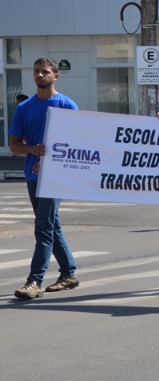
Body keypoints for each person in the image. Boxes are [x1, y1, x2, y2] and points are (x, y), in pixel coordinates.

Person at [10, 58, 81, 300]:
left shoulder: (66, 105)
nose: (40, 75)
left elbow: (78, 142)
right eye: (37, 71)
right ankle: (69, 273)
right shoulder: (25, 108)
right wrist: (32, 150)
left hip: (56, 176)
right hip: (33, 174)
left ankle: (35, 280)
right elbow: (14, 145)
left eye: (45, 72)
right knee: (51, 225)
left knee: (42, 226)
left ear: (55, 76)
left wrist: (52, 159)